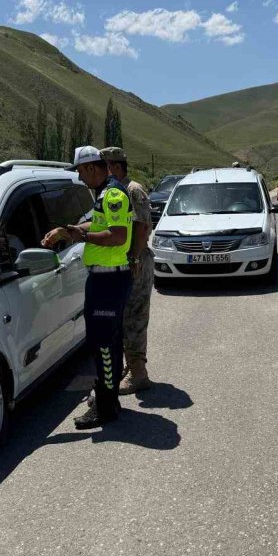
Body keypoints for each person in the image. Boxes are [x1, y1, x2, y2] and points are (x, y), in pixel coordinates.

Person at [42, 146, 133, 428]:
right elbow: (98, 221)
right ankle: (110, 399)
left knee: (104, 345)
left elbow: (117, 236)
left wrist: (80, 234)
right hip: (106, 279)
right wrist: (71, 229)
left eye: (80, 172)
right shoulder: (105, 193)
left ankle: (105, 408)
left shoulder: (114, 194)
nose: (80, 179)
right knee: (109, 343)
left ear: (92, 168)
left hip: (109, 280)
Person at [100, 146, 155, 395]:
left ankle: (138, 374)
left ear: (115, 166)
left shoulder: (132, 190)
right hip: (124, 261)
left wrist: (133, 258)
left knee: (134, 317)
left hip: (137, 261)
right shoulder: (114, 191)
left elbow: (143, 227)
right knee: (123, 318)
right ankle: (130, 367)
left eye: (105, 165)